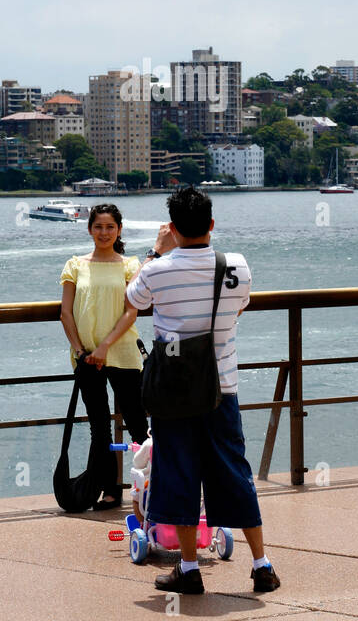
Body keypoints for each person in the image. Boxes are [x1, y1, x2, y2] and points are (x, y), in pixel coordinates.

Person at [122, 185, 280, 595]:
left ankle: (189, 569)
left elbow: (132, 298)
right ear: (211, 224)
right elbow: (240, 305)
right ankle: (261, 565)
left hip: (174, 393)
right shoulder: (236, 265)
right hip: (221, 387)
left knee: (178, 474)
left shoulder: (157, 269)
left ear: (172, 227)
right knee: (234, 472)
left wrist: (156, 251)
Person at [59, 203, 148, 509]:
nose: (104, 232)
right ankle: (111, 490)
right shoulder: (75, 265)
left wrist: (104, 347)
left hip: (122, 353)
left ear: (119, 230)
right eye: (98, 226)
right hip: (86, 358)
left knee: (137, 424)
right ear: (89, 229)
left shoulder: (129, 265)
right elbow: (65, 313)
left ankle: (152, 486)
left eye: (110, 227)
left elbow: (131, 312)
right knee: (99, 428)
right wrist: (80, 350)